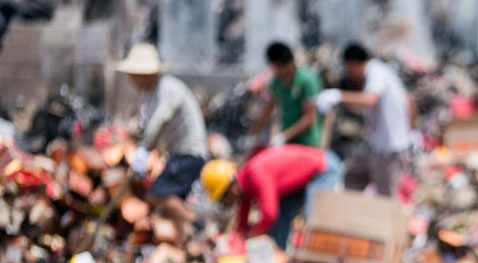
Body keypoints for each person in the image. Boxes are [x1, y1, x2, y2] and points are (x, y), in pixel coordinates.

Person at [116, 43, 208, 226]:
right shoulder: (151, 95)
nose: (130, 79)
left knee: (156, 194)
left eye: (133, 74)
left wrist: (143, 151)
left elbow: (158, 122)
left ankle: (198, 224)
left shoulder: (168, 89)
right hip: (177, 154)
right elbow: (145, 125)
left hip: (188, 154)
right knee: (172, 202)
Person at [315, 42, 414, 196]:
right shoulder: (379, 72)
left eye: (348, 68)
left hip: (390, 149)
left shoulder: (376, 73)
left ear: (353, 63)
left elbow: (370, 99)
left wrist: (339, 96)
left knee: (385, 199)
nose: (348, 73)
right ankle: (355, 216)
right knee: (352, 177)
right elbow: (408, 99)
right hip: (375, 145)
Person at [200, 145, 342, 249]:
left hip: (324, 168)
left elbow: (269, 214)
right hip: (301, 181)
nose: (226, 203)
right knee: (280, 224)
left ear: (231, 189)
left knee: (312, 221)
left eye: (224, 198)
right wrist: (237, 239)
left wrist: (251, 238)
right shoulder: (245, 185)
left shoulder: (256, 174)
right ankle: (280, 257)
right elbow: (242, 220)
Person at [248, 41, 323, 148]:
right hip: (288, 143)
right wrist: (252, 133)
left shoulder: (306, 80)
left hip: (307, 143)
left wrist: (283, 137)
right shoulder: (276, 83)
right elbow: (267, 110)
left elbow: (309, 118)